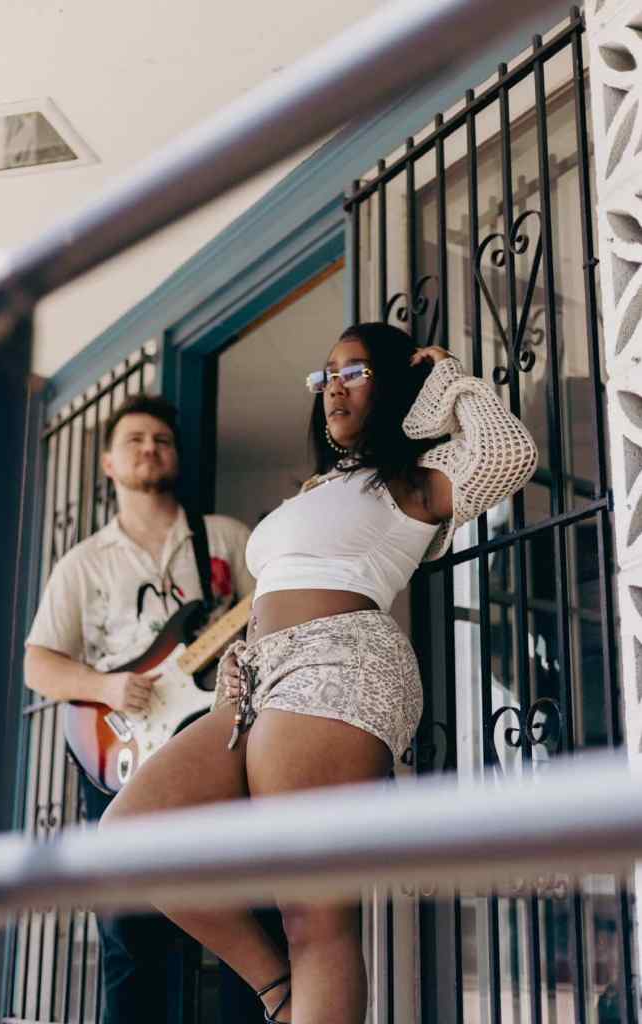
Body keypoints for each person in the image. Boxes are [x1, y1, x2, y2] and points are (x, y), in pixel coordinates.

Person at [101, 324, 538, 1024]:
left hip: (341, 664)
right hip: (258, 682)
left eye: (356, 372)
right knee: (130, 832)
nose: (332, 384)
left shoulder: (413, 481)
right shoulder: (317, 488)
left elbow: (508, 453)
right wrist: (241, 660)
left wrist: (447, 377)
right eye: (325, 373)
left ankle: (295, 994)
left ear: (395, 386)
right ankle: (278, 994)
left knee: (313, 917)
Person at [24, 393, 258, 1024]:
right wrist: (105, 688)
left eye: (162, 439)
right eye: (134, 440)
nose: (150, 448)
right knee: (129, 935)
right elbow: (38, 663)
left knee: (246, 911)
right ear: (107, 463)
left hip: (214, 745)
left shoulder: (225, 538)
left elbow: (270, 620)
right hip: (119, 755)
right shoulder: (82, 563)